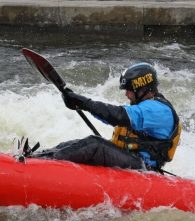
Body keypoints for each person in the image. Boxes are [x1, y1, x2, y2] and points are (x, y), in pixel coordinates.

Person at [33, 63, 181, 172]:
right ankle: (37, 157)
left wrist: (84, 103)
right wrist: (80, 103)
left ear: (144, 89)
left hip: (142, 167)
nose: (127, 94)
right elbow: (110, 116)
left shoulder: (159, 110)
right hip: (131, 159)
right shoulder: (146, 106)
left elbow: (117, 116)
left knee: (95, 144)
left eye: (130, 90)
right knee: (75, 143)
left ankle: (41, 167)